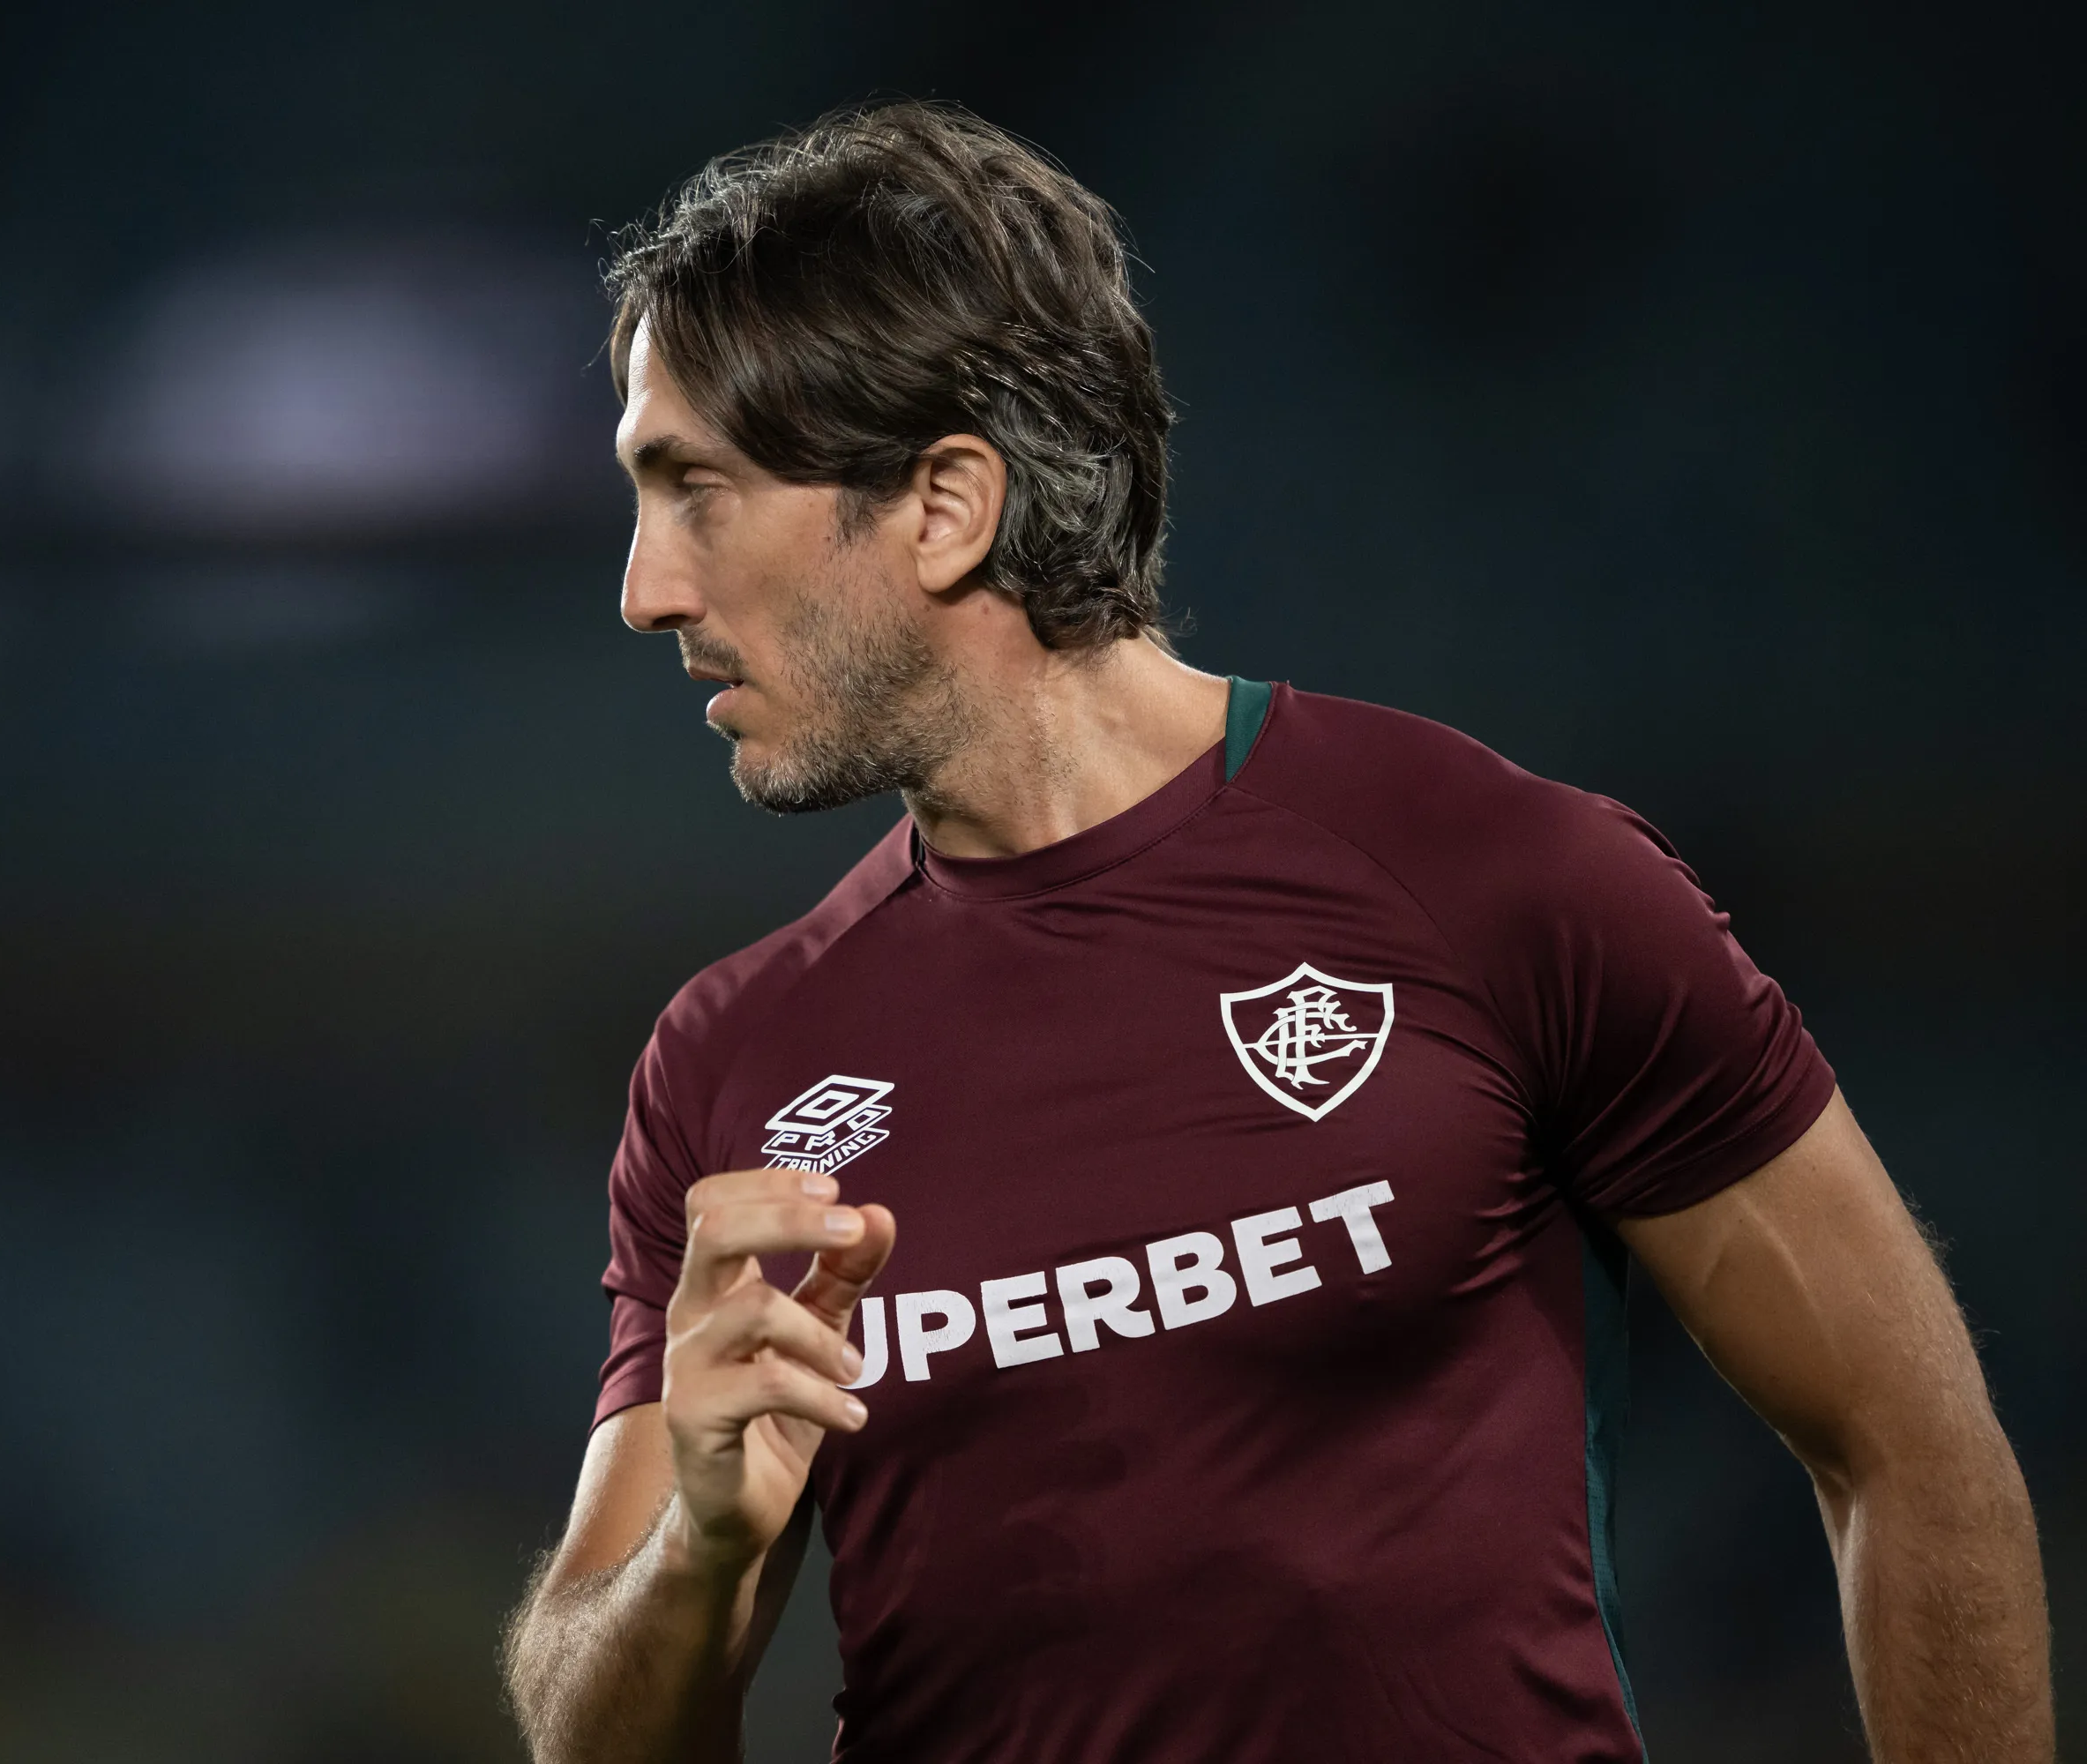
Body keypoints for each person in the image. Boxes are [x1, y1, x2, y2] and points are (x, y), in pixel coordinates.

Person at [499, 101, 2052, 1763]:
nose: (646, 587)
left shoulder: (1496, 879)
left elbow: (1915, 1450)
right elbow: (592, 1731)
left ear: (946, 506)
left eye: (701, 492)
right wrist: (698, 1552)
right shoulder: (737, 1065)